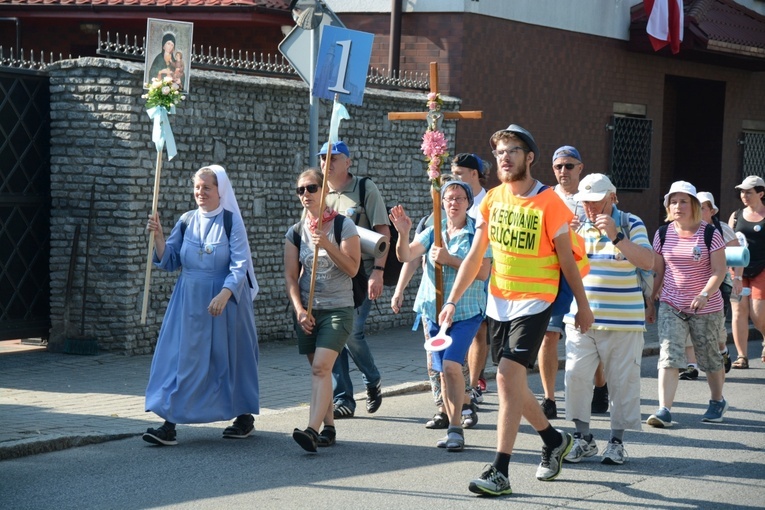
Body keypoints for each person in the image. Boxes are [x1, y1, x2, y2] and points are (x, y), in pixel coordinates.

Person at [438, 124, 594, 496]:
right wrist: (451, 300)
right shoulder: (491, 200)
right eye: (499, 152)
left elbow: (568, 263)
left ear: (530, 158)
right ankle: (554, 440)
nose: (504, 158)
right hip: (500, 302)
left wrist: (583, 307)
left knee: (507, 377)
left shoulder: (549, 203)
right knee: (512, 381)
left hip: (536, 301)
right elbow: (475, 256)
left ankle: (500, 471)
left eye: (512, 151)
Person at [143, 165, 260, 445]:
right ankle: (169, 423)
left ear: (220, 190)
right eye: (197, 187)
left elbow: (240, 264)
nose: (200, 192)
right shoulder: (186, 220)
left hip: (225, 304)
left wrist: (225, 293)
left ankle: (243, 417)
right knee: (181, 359)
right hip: (189, 302)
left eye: (206, 187)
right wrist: (158, 236)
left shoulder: (232, 222)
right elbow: (170, 259)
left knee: (230, 359)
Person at [389, 180, 491, 451]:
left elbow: (482, 273)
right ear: (442, 203)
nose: (453, 203)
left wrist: (451, 259)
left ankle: (457, 426)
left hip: (466, 312)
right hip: (433, 312)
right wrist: (403, 232)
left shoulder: (477, 233)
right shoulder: (434, 231)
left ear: (468, 203)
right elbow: (406, 255)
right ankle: (452, 424)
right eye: (448, 198)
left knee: (451, 366)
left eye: (459, 198)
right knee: (442, 372)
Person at [561, 174, 654, 466]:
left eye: (595, 202)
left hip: (623, 321)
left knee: (621, 383)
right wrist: (567, 240)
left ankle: (616, 442)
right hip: (581, 318)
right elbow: (563, 267)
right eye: (584, 202)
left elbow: (649, 262)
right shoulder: (575, 224)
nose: (589, 209)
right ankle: (582, 438)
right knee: (575, 376)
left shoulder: (631, 222)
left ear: (612, 197)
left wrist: (617, 236)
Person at [284, 169, 361, 452]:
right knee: (320, 373)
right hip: (309, 312)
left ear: (324, 190)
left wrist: (326, 244)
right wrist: (300, 310)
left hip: (338, 309)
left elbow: (352, 268)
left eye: (312, 188)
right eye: (301, 190)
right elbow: (291, 277)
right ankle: (328, 427)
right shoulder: (295, 232)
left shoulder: (343, 226)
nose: (306, 194)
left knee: (320, 367)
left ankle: (311, 430)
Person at [647, 181, 728, 428]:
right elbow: (658, 270)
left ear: (693, 204)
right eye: (673, 201)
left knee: (709, 359)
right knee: (669, 355)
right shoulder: (662, 233)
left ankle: (717, 400)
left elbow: (719, 271)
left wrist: (704, 294)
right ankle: (664, 410)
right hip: (672, 304)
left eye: (683, 201)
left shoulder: (709, 233)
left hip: (706, 307)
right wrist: (650, 302)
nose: (678, 206)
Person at [319, 141, 390, 419]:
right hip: (329, 275)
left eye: (333, 157)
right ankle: (343, 399)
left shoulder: (364, 189)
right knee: (332, 336)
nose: (327, 163)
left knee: (352, 333)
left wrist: (378, 272)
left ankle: (372, 379)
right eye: (323, 158)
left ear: (348, 162)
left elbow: (383, 232)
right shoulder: (319, 191)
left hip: (359, 273)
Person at [539, 146, 609, 419]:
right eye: (558, 167)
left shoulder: (591, 197)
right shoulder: (546, 197)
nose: (563, 171)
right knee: (549, 336)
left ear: (580, 168)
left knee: (590, 337)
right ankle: (549, 398)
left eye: (569, 166)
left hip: (586, 277)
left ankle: (600, 385)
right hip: (554, 277)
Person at [679, 191, 738, 379]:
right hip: (689, 288)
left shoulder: (720, 229)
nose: (699, 210)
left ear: (712, 211)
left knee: (717, 331)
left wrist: (737, 278)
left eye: (703, 207)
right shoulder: (683, 228)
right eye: (697, 206)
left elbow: (739, 254)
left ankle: (722, 351)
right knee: (687, 323)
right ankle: (691, 365)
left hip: (717, 287)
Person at [451, 153, 491, 405]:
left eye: (459, 174)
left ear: (474, 174)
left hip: (485, 270)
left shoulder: (488, 201)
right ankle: (461, 381)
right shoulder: (454, 197)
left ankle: (474, 383)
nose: (455, 178)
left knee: (480, 329)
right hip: (455, 271)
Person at [729, 175, 765, 369]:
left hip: (762, 268)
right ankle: (742, 356)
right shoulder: (736, 216)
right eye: (742, 191)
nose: (744, 195)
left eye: (748, 192)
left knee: (758, 313)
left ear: (761, 193)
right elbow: (729, 240)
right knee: (738, 311)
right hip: (737, 270)